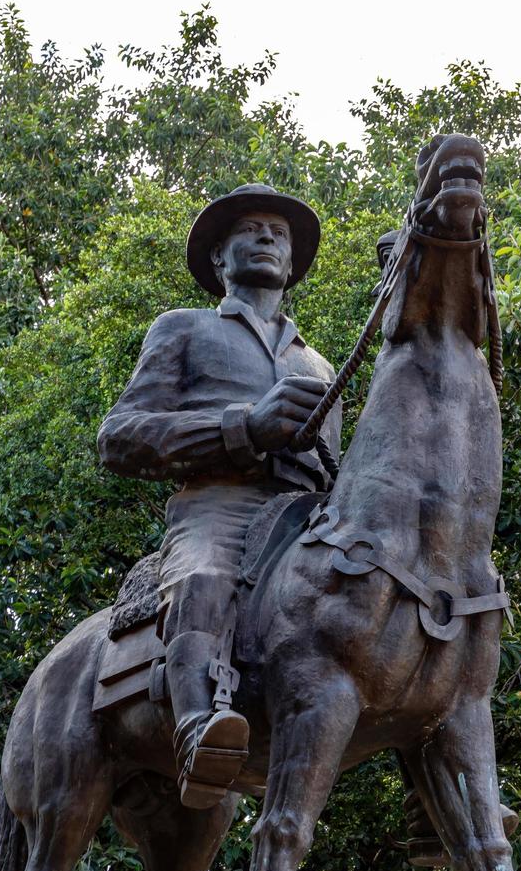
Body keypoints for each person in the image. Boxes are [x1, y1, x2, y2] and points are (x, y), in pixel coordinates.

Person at [97, 184, 341, 809]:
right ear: (219, 260)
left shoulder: (319, 364)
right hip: (220, 504)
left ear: (291, 265)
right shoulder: (183, 330)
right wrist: (243, 428)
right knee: (203, 576)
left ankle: (435, 778)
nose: (266, 237)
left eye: (278, 234)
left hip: (310, 518)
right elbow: (119, 439)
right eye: (249, 229)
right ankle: (197, 728)